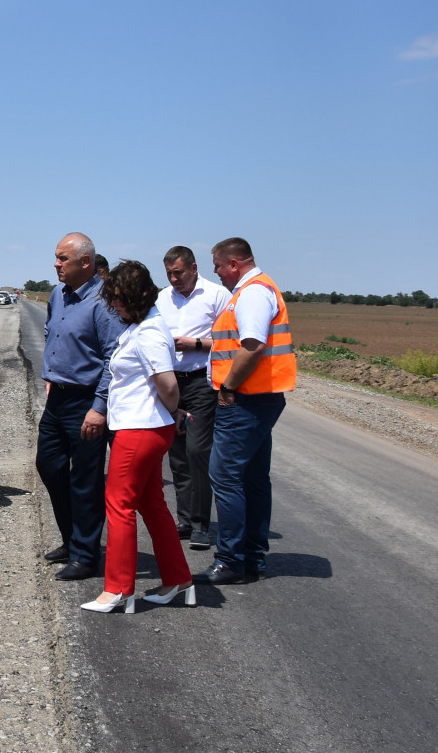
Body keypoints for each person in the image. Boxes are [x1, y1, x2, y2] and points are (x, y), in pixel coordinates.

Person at [82, 260, 195, 614]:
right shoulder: (143, 326)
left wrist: (172, 409)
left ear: (138, 296)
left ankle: (118, 589)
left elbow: (168, 383)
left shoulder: (148, 333)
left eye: (119, 298)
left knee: (118, 504)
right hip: (142, 425)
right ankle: (179, 580)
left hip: (140, 428)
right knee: (150, 504)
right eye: (112, 298)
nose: (115, 305)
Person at [196, 237, 296, 586]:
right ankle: (251, 556)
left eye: (218, 266)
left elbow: (252, 345)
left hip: (245, 400)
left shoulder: (252, 292)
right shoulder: (257, 289)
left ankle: (231, 560)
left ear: (234, 264)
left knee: (225, 477)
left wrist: (228, 388)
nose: (216, 273)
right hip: (259, 398)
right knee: (252, 478)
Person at [37, 232, 124, 580]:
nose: (56, 264)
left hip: (86, 401)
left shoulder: (103, 304)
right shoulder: (58, 295)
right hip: (57, 398)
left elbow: (113, 359)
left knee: (85, 480)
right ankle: (71, 540)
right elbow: (52, 334)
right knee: (49, 466)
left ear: (86, 262)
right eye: (57, 257)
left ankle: (86, 555)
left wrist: (99, 407)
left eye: (63, 259)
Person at [157, 246, 227, 550]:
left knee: (198, 451)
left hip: (201, 381)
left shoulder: (216, 295)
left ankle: (201, 523)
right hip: (171, 381)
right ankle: (184, 520)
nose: (174, 279)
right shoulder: (162, 298)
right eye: (169, 273)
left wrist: (195, 343)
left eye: (179, 272)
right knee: (177, 453)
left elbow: (231, 341)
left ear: (194, 268)